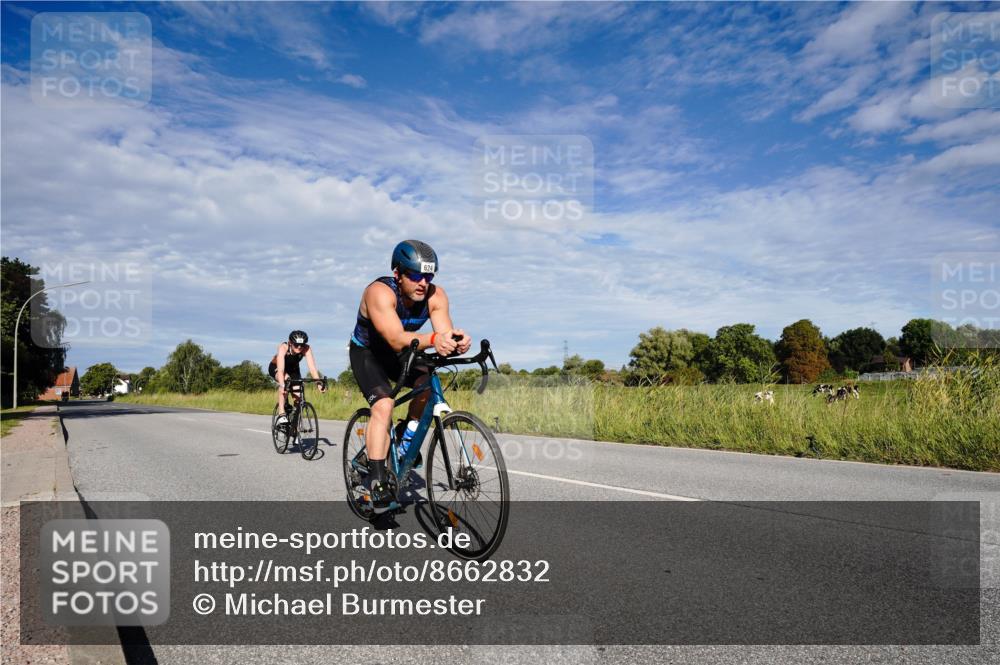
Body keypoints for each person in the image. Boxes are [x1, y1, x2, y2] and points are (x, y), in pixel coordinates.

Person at [349, 240, 471, 512]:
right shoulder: (379, 292)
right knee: (384, 405)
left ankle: (405, 439)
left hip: (406, 351)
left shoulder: (436, 296)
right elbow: (394, 338)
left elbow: (442, 335)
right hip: (369, 353)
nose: (423, 282)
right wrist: (436, 338)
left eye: (429, 276)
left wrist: (456, 342)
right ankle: (378, 481)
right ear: (398, 274)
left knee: (429, 388)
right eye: (415, 275)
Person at [269, 330, 325, 424]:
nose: (299, 347)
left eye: (302, 345)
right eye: (296, 345)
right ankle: (282, 413)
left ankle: (294, 424)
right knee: (286, 380)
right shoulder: (284, 347)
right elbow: (281, 370)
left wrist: (318, 383)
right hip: (277, 367)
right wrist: (282, 386)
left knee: (298, 394)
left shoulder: (306, 348)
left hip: (294, 370)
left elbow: (312, 369)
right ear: (290, 343)